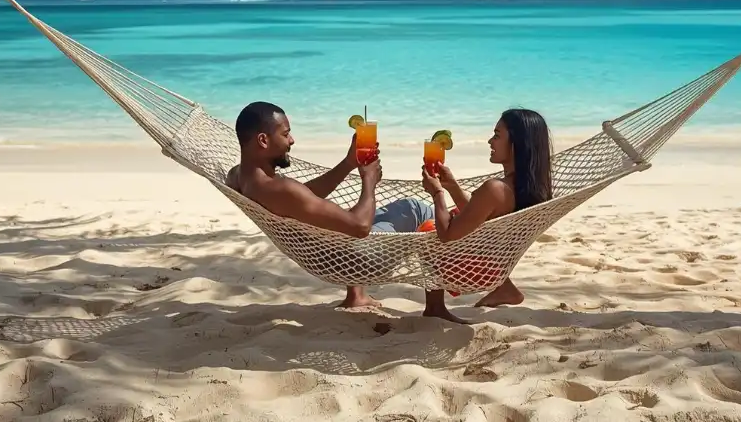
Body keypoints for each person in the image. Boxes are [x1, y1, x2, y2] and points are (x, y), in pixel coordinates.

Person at [225, 101, 436, 309]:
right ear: (263, 140)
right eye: (285, 134)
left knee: (343, 213)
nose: (292, 140)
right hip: (359, 260)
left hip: (330, 256)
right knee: (418, 210)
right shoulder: (281, 189)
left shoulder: (238, 177)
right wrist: (369, 180)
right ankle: (439, 305)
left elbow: (303, 198)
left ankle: (356, 296)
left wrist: (348, 164)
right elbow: (360, 227)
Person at [419, 108, 553, 322]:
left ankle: (435, 307)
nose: (490, 141)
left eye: (497, 136)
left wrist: (437, 193)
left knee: (428, 230)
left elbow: (446, 236)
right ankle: (506, 289)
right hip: (496, 264)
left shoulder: (495, 189)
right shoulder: (533, 187)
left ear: (517, 143)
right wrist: (453, 186)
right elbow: (481, 218)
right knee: (453, 216)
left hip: (476, 271)